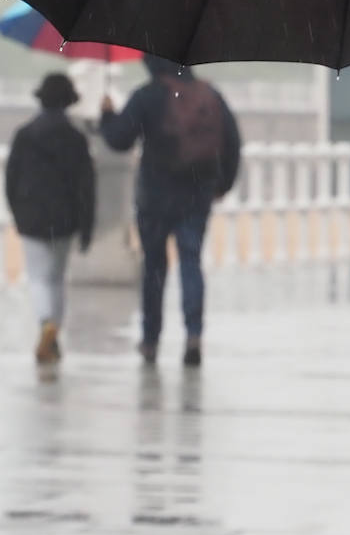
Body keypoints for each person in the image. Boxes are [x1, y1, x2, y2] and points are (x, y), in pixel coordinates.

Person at [100, 55, 240, 366]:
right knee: (191, 262)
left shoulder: (147, 95)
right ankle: (194, 334)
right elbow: (232, 142)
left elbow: (119, 140)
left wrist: (107, 116)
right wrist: (222, 184)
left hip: (155, 197)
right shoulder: (209, 94)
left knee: (154, 267)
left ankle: (150, 340)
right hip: (197, 193)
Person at [4, 72, 95, 363]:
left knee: (38, 278)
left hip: (32, 216)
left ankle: (46, 324)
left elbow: (11, 179)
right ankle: (53, 333)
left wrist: (17, 212)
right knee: (56, 277)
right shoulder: (76, 138)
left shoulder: (25, 134)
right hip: (65, 218)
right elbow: (86, 186)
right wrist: (86, 226)